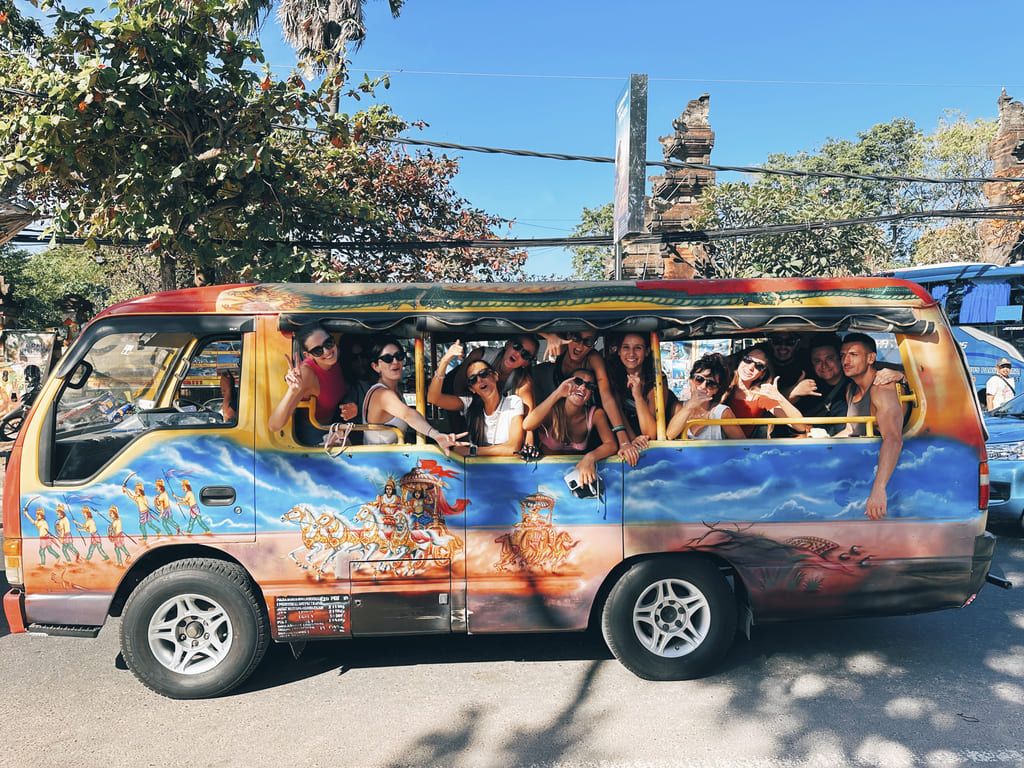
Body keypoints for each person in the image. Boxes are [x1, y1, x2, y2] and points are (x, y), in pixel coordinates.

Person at [533, 331, 642, 465]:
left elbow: (607, 396)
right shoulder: (561, 346)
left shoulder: (593, 358)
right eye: (576, 338)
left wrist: (624, 442)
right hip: (559, 409)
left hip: (585, 415)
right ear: (568, 337)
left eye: (588, 342)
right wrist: (549, 336)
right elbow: (522, 319)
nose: (580, 345)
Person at [834, 333, 904, 519]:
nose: (846, 361)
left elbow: (893, 439)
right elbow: (850, 430)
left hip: (881, 480)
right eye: (842, 355)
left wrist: (879, 489)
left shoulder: (881, 388)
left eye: (853, 354)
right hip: (857, 477)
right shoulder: (851, 389)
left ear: (871, 358)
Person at [362, 336, 468, 454]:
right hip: (380, 465)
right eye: (388, 358)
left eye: (399, 356)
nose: (395, 362)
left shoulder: (396, 390)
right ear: (375, 366)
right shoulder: (382, 394)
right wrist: (436, 435)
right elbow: (408, 414)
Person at [791, 334, 906, 435]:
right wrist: (793, 393)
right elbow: (850, 431)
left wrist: (902, 375)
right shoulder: (810, 386)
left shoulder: (869, 380)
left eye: (830, 358)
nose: (824, 365)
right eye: (817, 361)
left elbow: (892, 439)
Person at [523, 368, 618, 487]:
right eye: (578, 382)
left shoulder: (595, 415)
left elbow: (611, 445)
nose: (583, 388)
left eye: (589, 386)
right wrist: (558, 393)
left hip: (575, 479)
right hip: (544, 478)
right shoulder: (552, 409)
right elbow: (527, 425)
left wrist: (589, 458)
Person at [429, 341, 525, 456]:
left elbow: (513, 448)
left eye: (484, 374)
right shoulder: (469, 403)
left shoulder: (513, 402)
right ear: (472, 389)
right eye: (473, 379)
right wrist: (445, 360)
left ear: (495, 376)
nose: (479, 380)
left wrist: (471, 451)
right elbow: (433, 398)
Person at [268, 322, 357, 433]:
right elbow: (274, 426)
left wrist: (351, 406)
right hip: (316, 431)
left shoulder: (335, 356)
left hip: (336, 424)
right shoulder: (307, 374)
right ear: (308, 355)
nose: (327, 351)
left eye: (328, 343)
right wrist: (292, 391)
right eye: (317, 351)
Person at [722, 344, 807, 438]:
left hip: (740, 448)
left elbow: (800, 426)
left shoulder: (760, 396)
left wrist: (779, 397)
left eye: (759, 366)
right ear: (740, 361)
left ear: (762, 374)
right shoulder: (718, 384)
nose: (751, 367)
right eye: (748, 360)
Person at [605, 333, 677, 440]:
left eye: (638, 348)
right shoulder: (612, 375)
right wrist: (633, 440)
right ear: (619, 351)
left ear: (647, 352)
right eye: (626, 347)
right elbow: (618, 412)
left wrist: (638, 396)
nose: (631, 353)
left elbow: (650, 433)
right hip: (627, 436)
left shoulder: (656, 379)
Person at [666, 354, 746, 440]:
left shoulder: (722, 413)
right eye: (699, 379)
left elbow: (742, 446)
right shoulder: (678, 408)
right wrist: (689, 406)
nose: (703, 386)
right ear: (691, 380)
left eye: (711, 384)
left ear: (716, 390)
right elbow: (670, 435)